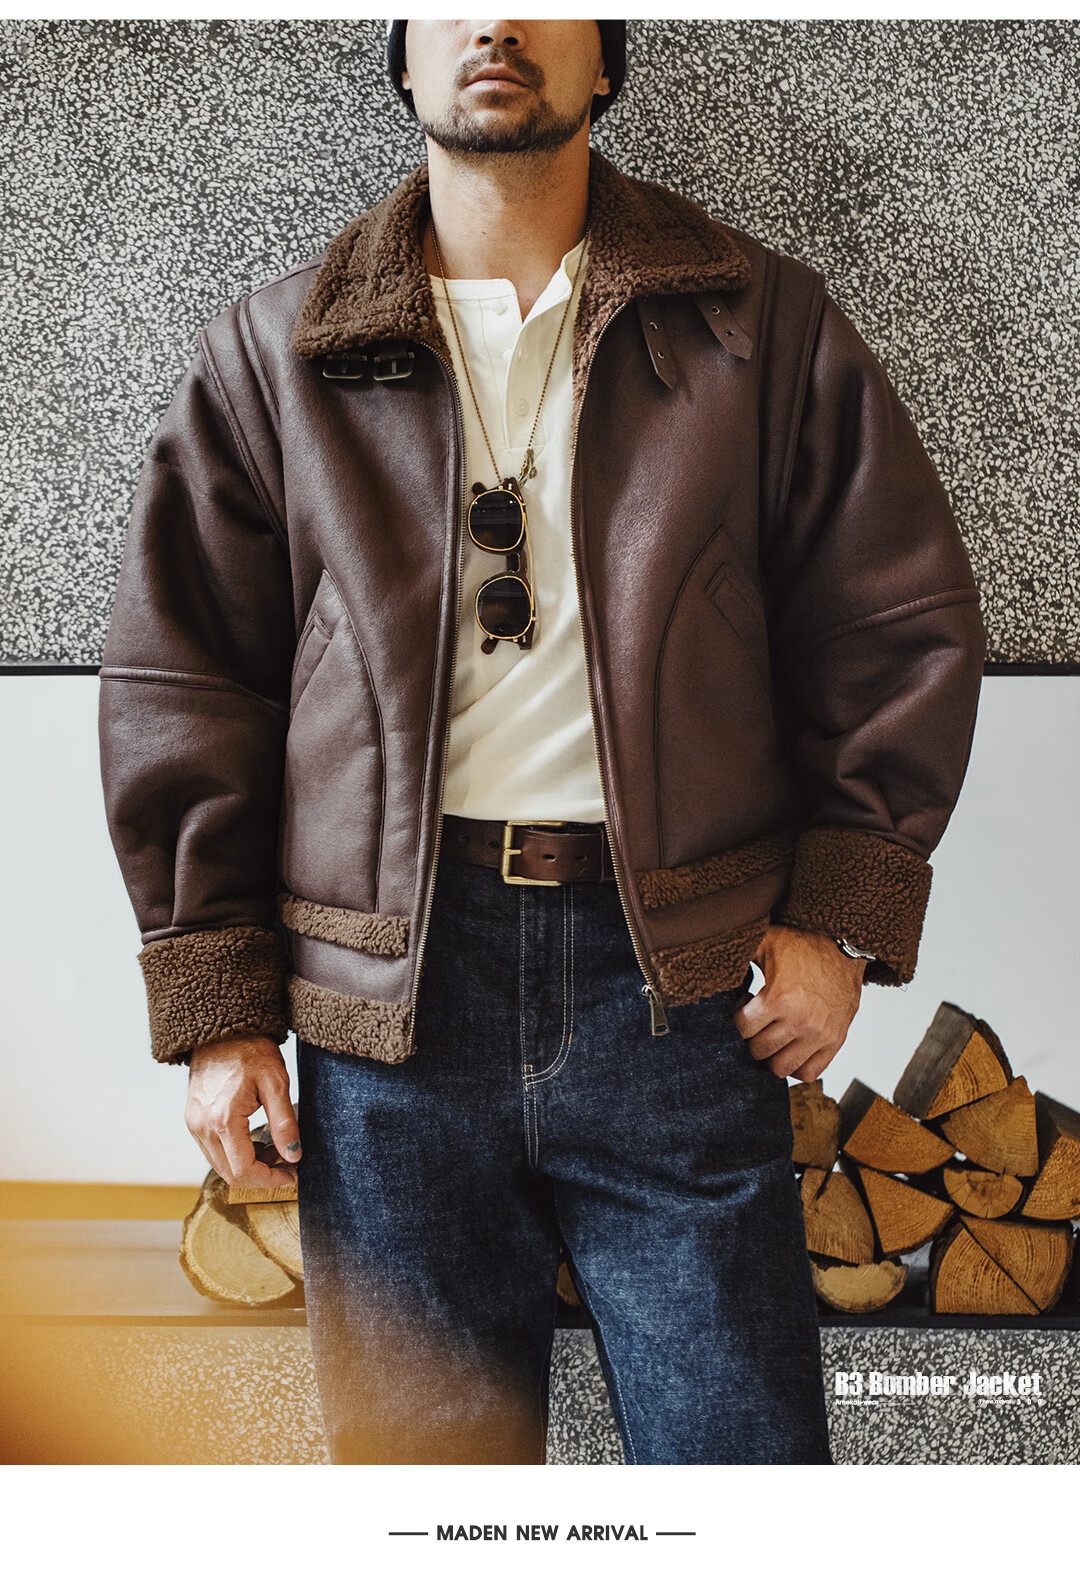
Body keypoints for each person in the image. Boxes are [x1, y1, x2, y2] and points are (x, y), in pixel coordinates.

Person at [98, 19, 986, 1464]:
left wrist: (838, 915)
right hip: (385, 1011)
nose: (497, 22)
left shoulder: (761, 326)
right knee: (428, 1502)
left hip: (680, 990)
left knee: (743, 1488)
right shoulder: (276, 353)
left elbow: (893, 625)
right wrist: (217, 1010)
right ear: (401, 57)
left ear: (609, 59)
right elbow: (185, 683)